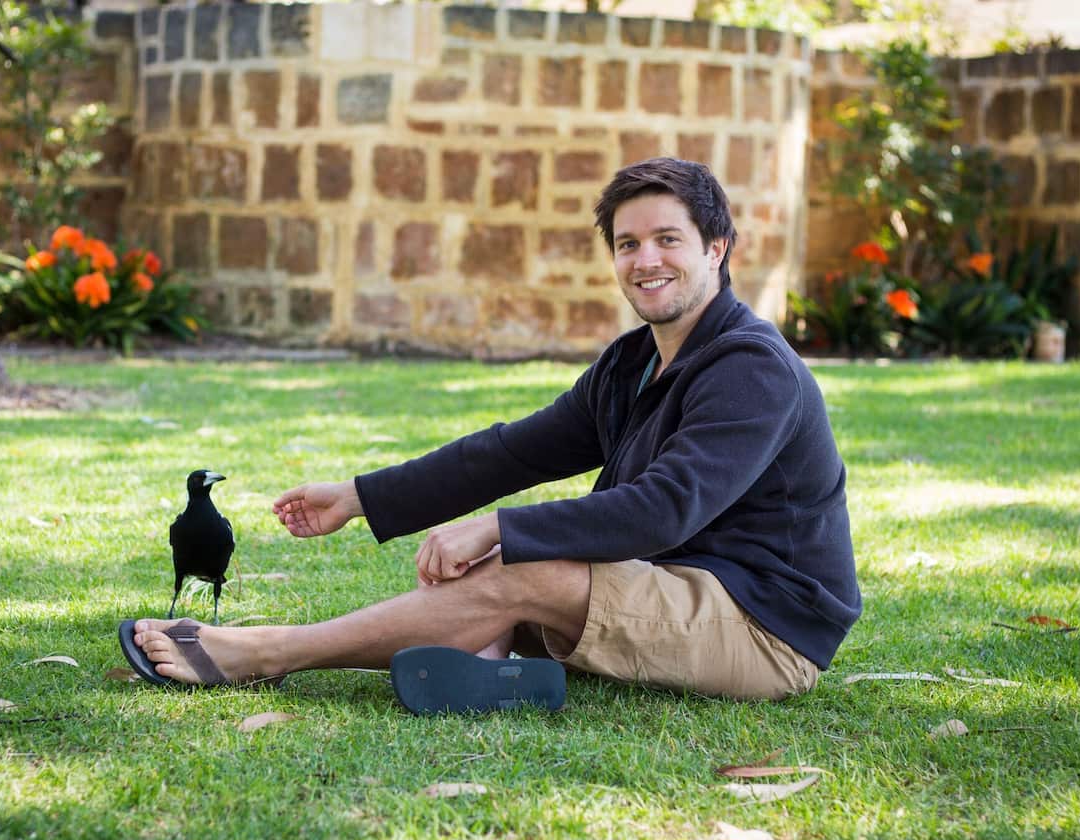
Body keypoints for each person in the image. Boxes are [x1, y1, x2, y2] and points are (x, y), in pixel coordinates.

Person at [125, 158, 859, 702]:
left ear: (717, 249)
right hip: (673, 583)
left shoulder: (751, 368)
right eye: (628, 244)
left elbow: (665, 508)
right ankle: (493, 664)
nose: (646, 260)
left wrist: (495, 530)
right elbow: (513, 450)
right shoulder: (633, 362)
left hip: (764, 626)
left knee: (517, 561)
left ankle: (263, 651)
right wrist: (356, 496)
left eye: (668, 238)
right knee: (494, 568)